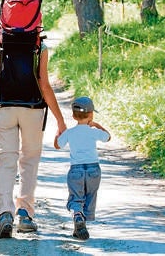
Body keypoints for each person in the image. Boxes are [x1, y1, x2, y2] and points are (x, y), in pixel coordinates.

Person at [0, 0, 67, 238]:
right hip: (33, 109)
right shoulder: (39, 46)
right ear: (38, 13)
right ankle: (25, 213)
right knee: (29, 162)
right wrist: (60, 120)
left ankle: (4, 213)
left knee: (6, 160)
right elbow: (44, 85)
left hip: (3, 108)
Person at [54, 96, 111, 240]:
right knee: (90, 196)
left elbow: (57, 145)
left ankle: (78, 216)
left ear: (73, 116)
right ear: (91, 114)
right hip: (93, 170)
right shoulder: (93, 131)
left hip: (76, 170)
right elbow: (107, 137)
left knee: (76, 197)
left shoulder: (70, 133)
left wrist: (58, 132)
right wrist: (97, 125)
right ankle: (82, 222)